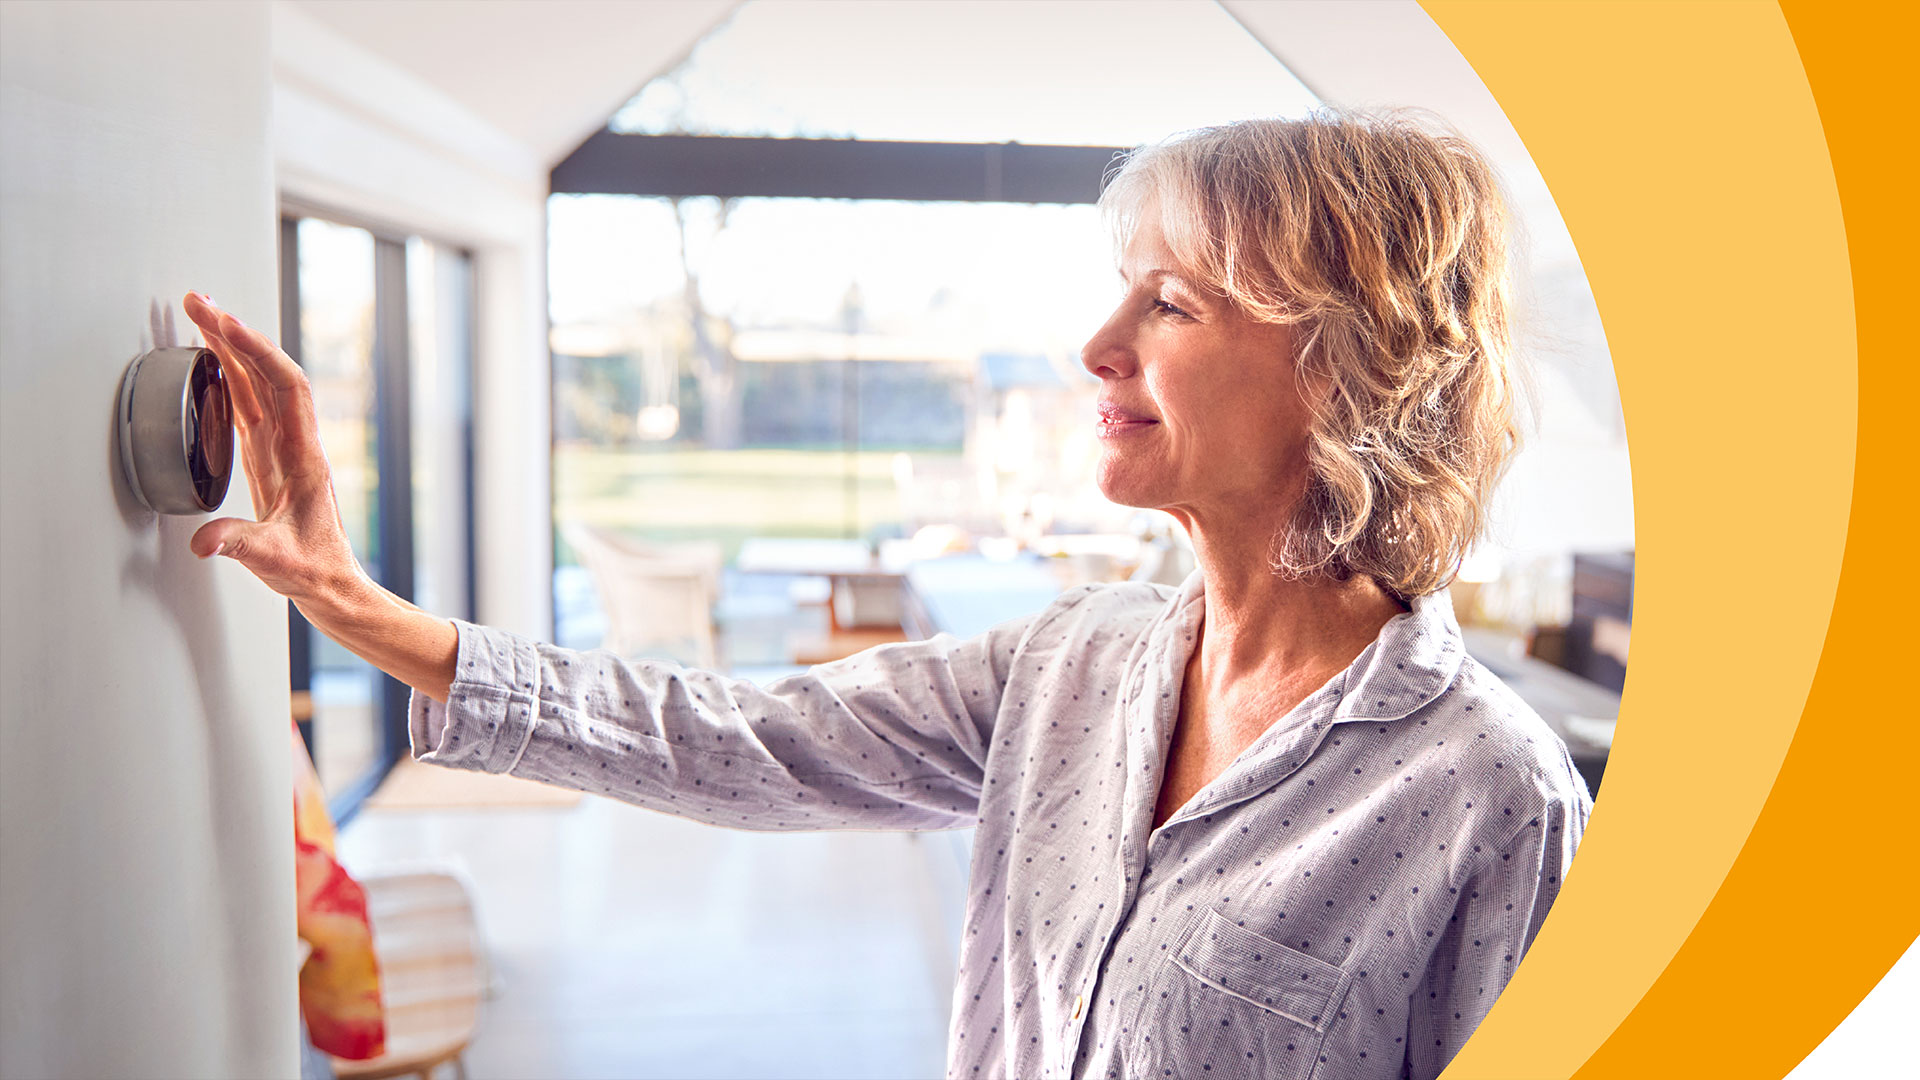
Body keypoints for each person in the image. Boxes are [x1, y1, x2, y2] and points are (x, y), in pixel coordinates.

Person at [184, 110, 1591, 1080]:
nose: (1096, 345)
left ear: (1351, 367)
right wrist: (370, 611)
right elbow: (736, 738)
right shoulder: (1074, 668)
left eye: (1171, 305)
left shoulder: (1490, 799)